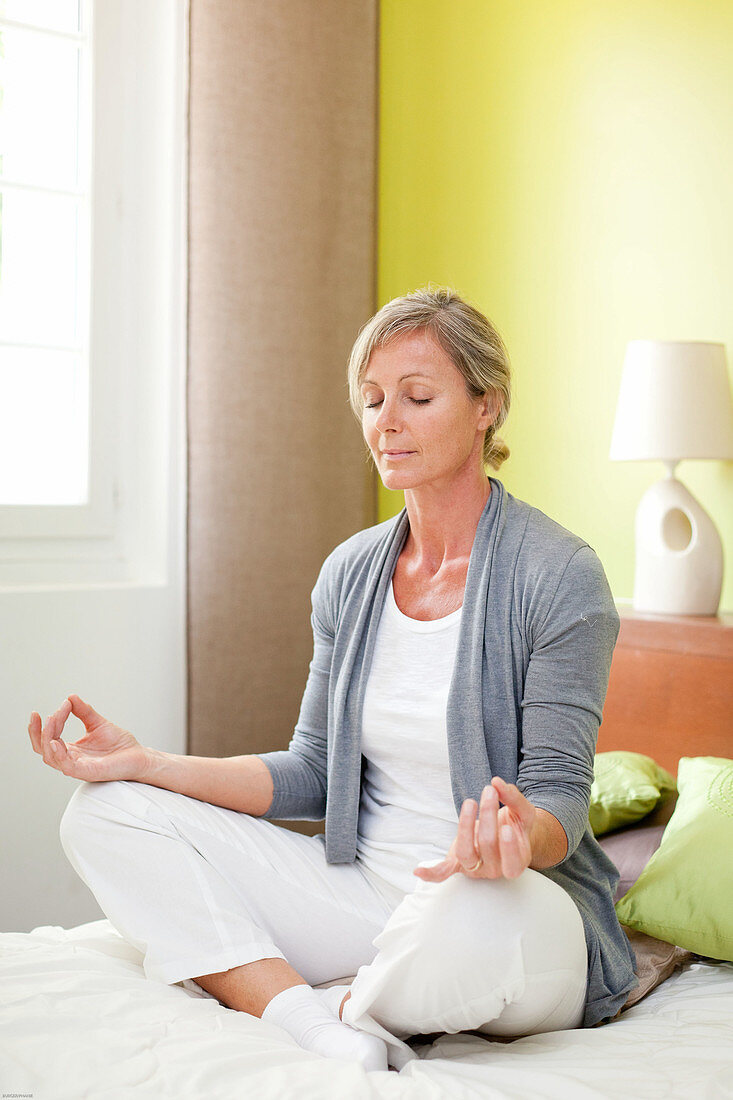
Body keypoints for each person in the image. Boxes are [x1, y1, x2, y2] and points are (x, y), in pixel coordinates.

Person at [29, 286, 637, 1073]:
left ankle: (347, 997)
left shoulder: (559, 575)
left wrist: (517, 839)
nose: (386, 420)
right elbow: (313, 770)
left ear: (486, 406)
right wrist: (149, 765)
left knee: (467, 916)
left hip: (508, 904)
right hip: (358, 896)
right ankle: (311, 1020)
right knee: (103, 813)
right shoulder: (350, 572)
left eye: (417, 397)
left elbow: (558, 793)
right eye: (373, 399)